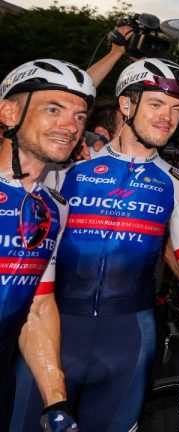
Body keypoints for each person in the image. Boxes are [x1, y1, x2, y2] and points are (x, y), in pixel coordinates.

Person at [12, 58, 179, 431]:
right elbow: (30, 120)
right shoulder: (68, 166)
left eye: (176, 108)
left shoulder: (176, 181)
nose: (168, 117)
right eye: (157, 104)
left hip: (128, 339)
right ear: (126, 105)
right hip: (54, 330)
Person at [0, 58, 94, 432]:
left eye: (80, 116)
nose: (70, 126)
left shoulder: (54, 207)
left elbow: (37, 305)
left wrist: (56, 400)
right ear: (8, 112)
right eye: (53, 110)